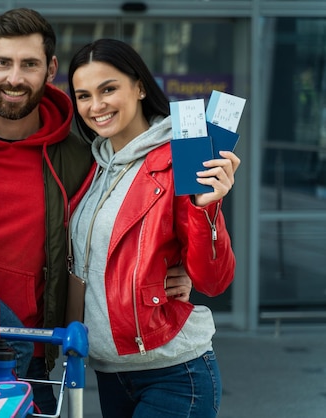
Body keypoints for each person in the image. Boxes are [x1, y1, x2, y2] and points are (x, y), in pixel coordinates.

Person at [0, 9, 193, 414]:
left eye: (29, 64)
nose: (14, 77)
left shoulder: (83, 155)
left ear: (50, 70)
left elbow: (127, 218)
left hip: (33, 357)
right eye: (3, 63)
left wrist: (179, 265)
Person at [67, 38, 240, 417]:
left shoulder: (181, 158)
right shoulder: (93, 166)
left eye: (108, 89)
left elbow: (214, 280)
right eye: (83, 95)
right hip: (111, 372)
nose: (96, 106)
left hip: (174, 372)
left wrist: (206, 210)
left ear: (140, 87)